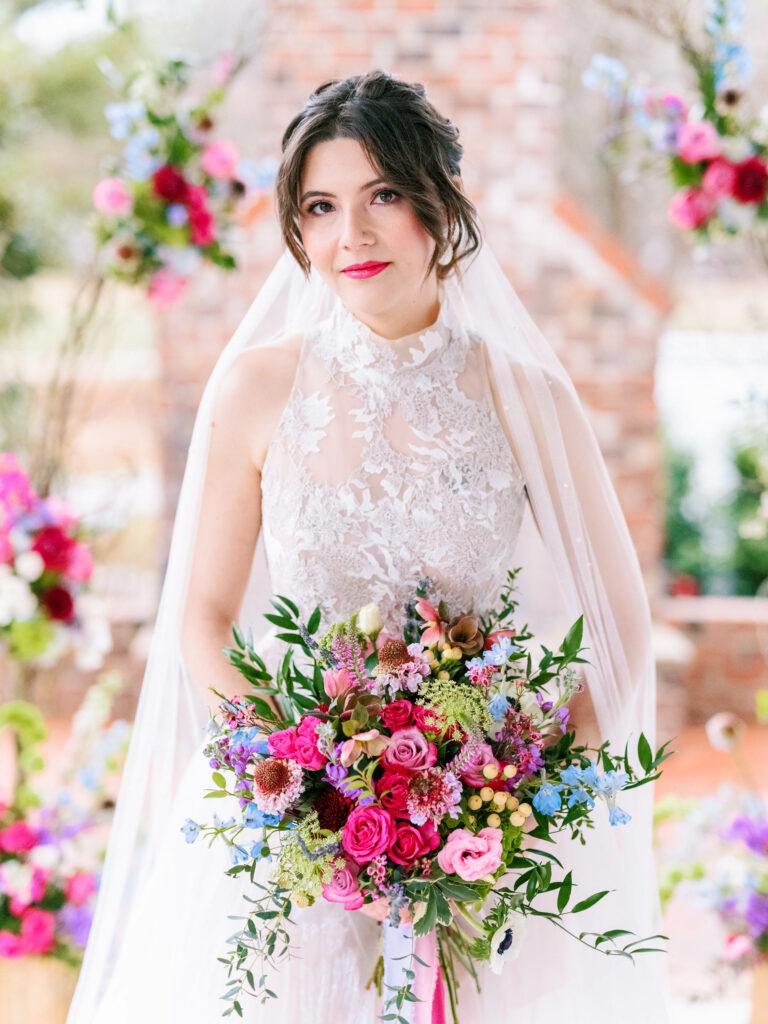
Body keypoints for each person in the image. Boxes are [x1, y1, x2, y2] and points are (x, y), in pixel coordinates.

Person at [66, 71, 669, 1024]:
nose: (353, 233)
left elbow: (622, 620)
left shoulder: (525, 396)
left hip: (487, 848)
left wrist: (526, 796)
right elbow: (202, 617)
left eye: (383, 194)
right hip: (290, 838)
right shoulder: (257, 390)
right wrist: (300, 775)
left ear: (440, 206)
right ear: (297, 230)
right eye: (321, 205)